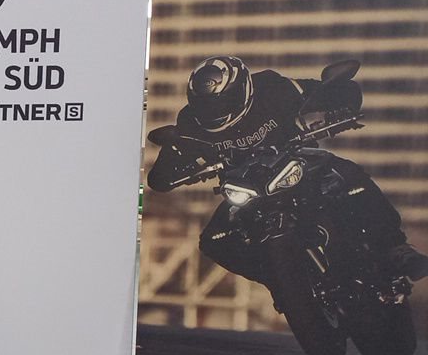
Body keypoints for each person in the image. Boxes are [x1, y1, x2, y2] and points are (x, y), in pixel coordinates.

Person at [147, 55, 428, 284]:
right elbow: (163, 170)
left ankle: (396, 247)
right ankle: (279, 281)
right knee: (214, 240)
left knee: (349, 176)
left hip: (299, 163)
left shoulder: (272, 88)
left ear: (242, 89)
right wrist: (173, 170)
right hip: (246, 188)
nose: (214, 110)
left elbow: (321, 91)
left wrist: (337, 106)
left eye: (221, 101)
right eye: (206, 105)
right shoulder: (190, 122)